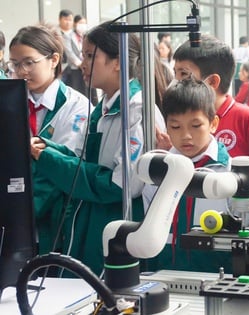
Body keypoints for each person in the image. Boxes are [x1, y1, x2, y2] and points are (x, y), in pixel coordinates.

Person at [29, 22, 161, 275]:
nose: (82, 63)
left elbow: (122, 184)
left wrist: (48, 160)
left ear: (118, 62)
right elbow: (83, 160)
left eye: (91, 56)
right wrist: (50, 149)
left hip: (118, 225)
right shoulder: (102, 109)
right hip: (92, 222)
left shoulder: (136, 110)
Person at [9, 24, 90, 257]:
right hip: (14, 217)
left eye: (28, 62)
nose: (21, 71)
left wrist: (22, 211)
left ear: (53, 60)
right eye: (15, 64)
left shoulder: (76, 107)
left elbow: (62, 168)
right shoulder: (10, 102)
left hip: (55, 220)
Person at [142, 78, 232, 272]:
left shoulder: (229, 174)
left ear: (213, 123)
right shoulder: (157, 174)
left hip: (217, 281)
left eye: (195, 125)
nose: (186, 136)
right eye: (176, 127)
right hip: (164, 276)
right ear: (166, 126)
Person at [172, 35, 249, 190]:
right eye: (175, 74)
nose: (176, 82)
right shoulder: (178, 119)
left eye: (184, 75)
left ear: (213, 82)